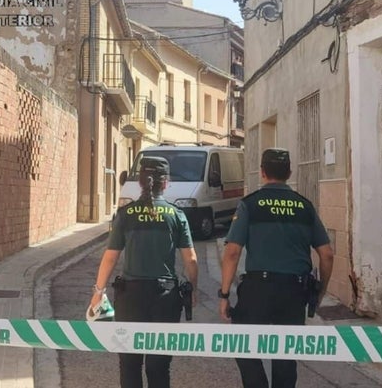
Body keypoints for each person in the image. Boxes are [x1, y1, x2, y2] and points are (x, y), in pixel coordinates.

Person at [219, 148, 334, 388]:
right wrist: (320, 291)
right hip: (295, 291)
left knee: (245, 345)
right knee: (285, 355)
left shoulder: (249, 204)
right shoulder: (305, 206)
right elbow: (327, 254)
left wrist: (224, 294)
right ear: (289, 172)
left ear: (262, 172)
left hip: (257, 289)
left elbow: (232, 252)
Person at [89, 156, 198, 388]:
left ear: (140, 181)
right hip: (166, 299)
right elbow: (191, 259)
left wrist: (99, 291)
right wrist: (193, 290)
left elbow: (110, 256)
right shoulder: (176, 215)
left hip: (130, 298)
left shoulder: (126, 214)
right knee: (158, 366)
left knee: (129, 364)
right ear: (166, 183)